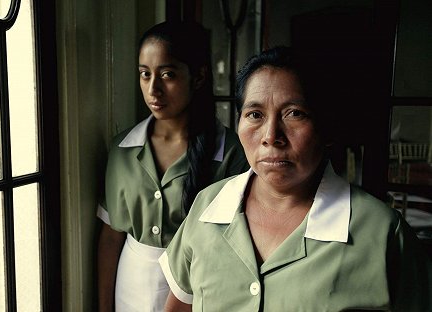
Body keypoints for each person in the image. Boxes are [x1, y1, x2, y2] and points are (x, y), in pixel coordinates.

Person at [159, 47, 430, 311]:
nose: (270, 136)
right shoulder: (208, 205)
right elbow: (180, 304)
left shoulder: (383, 234)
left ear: (327, 127)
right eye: (255, 115)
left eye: (294, 114)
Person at [96, 20, 249, 312]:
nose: (154, 89)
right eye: (144, 74)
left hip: (200, 288)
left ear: (199, 77)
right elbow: (110, 238)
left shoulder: (231, 153)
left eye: (167, 74)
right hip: (130, 286)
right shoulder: (122, 150)